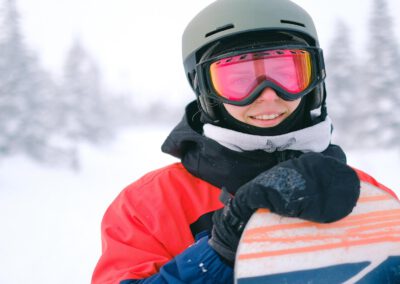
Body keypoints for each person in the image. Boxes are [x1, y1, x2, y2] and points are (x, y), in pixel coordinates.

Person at [91, 0, 396, 283]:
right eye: (238, 79)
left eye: (286, 72)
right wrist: (220, 250)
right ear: (205, 90)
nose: (268, 94)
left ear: (314, 78)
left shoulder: (364, 194)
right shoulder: (149, 206)